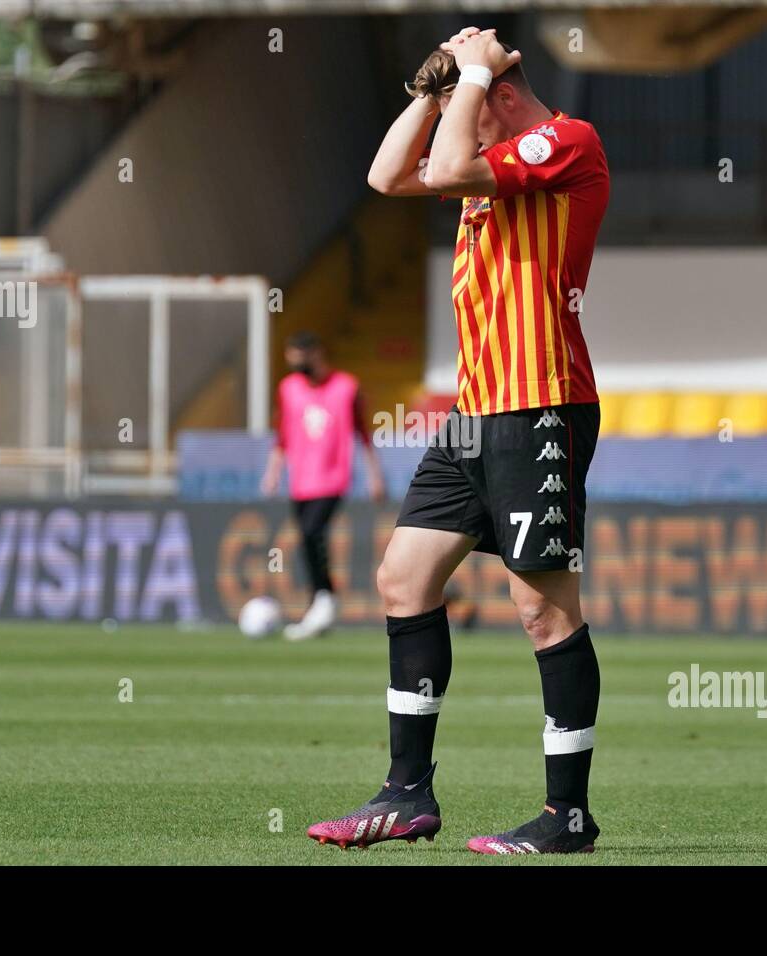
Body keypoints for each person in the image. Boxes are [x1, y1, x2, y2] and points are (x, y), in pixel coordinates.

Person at [307, 27, 610, 854]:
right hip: (474, 416)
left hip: (540, 407)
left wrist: (472, 77)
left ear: (503, 98)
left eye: (466, 113)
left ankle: (567, 815)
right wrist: (430, 88)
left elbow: (441, 169)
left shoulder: (566, 142)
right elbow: (386, 176)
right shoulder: (485, 159)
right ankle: (408, 794)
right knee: (403, 577)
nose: (454, 131)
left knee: (543, 613)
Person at [261, 331, 385, 641]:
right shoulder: (288, 389)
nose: (297, 366)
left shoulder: (346, 387)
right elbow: (283, 434)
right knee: (306, 539)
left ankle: (325, 598)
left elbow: (362, 432)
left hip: (332, 477)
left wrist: (374, 475)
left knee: (313, 532)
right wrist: (273, 471)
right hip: (299, 479)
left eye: (300, 358)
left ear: (316, 354)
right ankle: (320, 600)